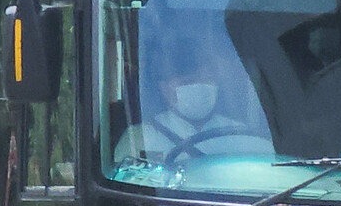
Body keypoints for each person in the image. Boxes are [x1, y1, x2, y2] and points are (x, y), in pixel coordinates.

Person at [115, 39, 270, 164]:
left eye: (207, 79)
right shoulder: (139, 139)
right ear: (164, 88)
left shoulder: (244, 137)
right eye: (188, 81)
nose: (200, 86)